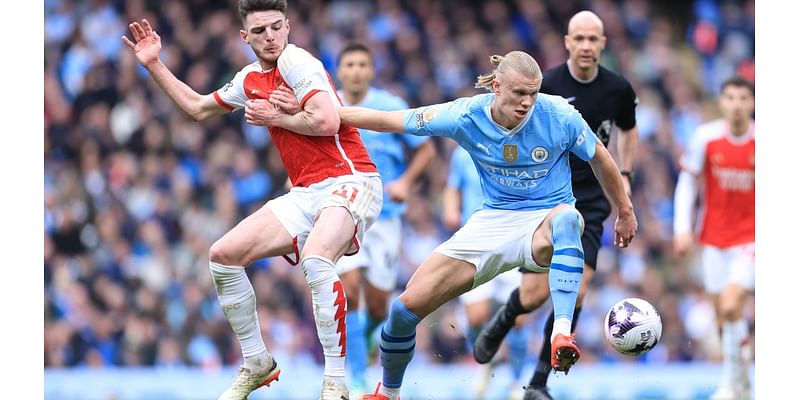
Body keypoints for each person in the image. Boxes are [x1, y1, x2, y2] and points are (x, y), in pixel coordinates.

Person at [289, 50, 635, 400]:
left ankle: (561, 332)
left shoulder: (559, 114)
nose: (528, 102)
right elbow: (390, 119)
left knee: (569, 219)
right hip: (491, 222)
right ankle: (388, 393)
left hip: (542, 220)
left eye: (534, 93)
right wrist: (321, 113)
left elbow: (601, 158)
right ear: (496, 87)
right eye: (519, 93)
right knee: (404, 309)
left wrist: (624, 209)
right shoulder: (465, 115)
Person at [122, 1, 383, 399]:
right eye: (259, 31)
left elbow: (329, 121)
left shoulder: (299, 62)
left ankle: (335, 384)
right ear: (245, 37)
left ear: (288, 26)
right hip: (305, 191)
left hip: (351, 179)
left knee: (316, 259)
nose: (270, 37)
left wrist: (274, 118)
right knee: (223, 254)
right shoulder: (248, 80)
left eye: (276, 27)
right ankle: (258, 362)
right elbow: (196, 108)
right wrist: (154, 64)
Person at [471, 11, 640, 400]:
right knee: (532, 297)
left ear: (603, 44)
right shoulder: (545, 86)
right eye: (578, 38)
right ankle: (505, 318)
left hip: (593, 202)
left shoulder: (618, 89)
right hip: (550, 198)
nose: (585, 46)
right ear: (567, 41)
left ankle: (539, 382)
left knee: (576, 292)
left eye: (592, 39)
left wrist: (625, 176)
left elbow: (628, 129)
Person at [329, 42, 435, 396]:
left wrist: (405, 181)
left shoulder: (391, 106)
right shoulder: (328, 104)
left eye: (363, 64)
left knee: (377, 303)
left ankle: (366, 340)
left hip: (386, 217)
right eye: (350, 64)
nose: (356, 70)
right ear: (340, 70)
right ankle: (357, 377)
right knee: (350, 293)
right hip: (345, 212)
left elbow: (426, 149)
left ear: (371, 70)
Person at [673, 76, 755, 400]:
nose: (736, 104)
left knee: (734, 303)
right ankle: (742, 379)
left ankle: (730, 385)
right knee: (723, 318)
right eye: (730, 97)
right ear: (722, 102)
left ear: (751, 104)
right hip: (713, 240)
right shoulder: (706, 138)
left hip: (752, 239)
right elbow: (687, 182)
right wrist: (682, 227)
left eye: (743, 98)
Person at [444, 146, 530, 399]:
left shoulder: (516, 148)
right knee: (476, 316)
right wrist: (451, 210)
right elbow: (453, 186)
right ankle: (486, 359)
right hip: (477, 241)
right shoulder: (463, 151)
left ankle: (517, 383)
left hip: (512, 239)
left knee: (519, 317)